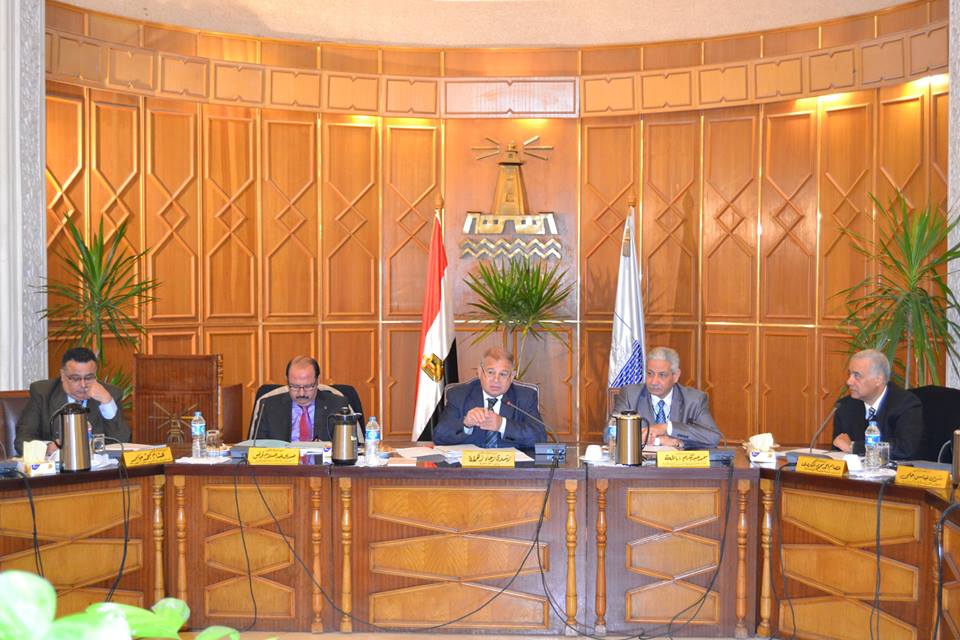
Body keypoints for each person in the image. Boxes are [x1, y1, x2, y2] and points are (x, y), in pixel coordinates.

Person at [15, 347, 131, 455]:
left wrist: (107, 403)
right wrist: (48, 449)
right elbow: (23, 440)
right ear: (63, 375)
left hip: (98, 467)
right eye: (76, 378)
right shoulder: (43, 393)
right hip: (58, 468)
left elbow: (123, 443)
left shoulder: (109, 394)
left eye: (89, 378)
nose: (83, 385)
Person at [433, 347, 546, 448]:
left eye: (503, 374)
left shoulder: (525, 397)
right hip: (470, 464)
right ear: (479, 372)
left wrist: (502, 425)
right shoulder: (459, 395)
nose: (496, 380)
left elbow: (540, 438)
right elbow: (439, 436)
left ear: (512, 376)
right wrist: (465, 423)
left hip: (511, 464)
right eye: (490, 372)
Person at [612, 346, 722, 448]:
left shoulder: (694, 400)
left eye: (662, 375)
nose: (654, 381)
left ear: (675, 376)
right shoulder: (630, 395)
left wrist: (667, 428)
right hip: (640, 461)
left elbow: (713, 437)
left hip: (679, 463)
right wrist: (658, 441)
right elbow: (611, 433)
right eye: (650, 373)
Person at [832, 349, 922, 460]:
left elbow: (905, 448)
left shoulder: (906, 404)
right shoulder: (844, 406)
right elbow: (839, 446)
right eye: (850, 374)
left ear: (878, 380)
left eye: (857, 375)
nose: (849, 381)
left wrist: (854, 447)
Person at [250, 355, 354, 442]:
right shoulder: (268, 406)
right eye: (295, 386)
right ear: (287, 380)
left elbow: (351, 445)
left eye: (308, 386)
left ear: (317, 381)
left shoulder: (337, 405)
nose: (301, 393)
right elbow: (256, 447)